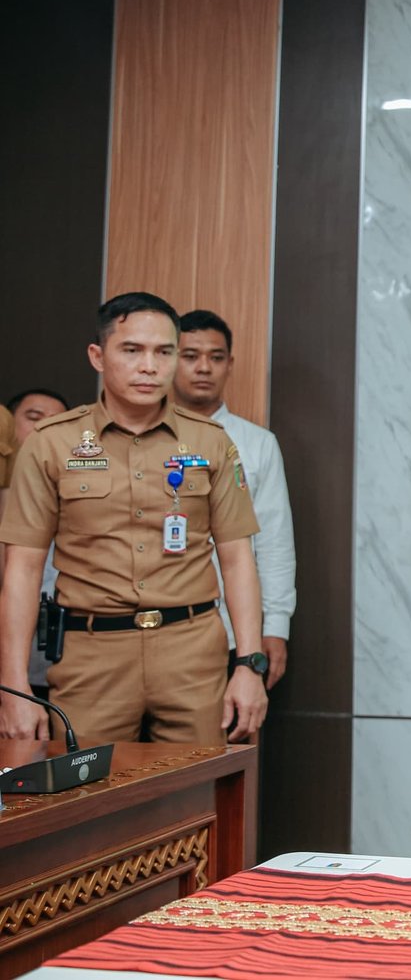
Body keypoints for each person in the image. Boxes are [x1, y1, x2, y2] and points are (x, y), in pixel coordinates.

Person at [0, 292, 270, 744]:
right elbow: (22, 569)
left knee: (194, 785)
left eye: (164, 352)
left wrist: (249, 664)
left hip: (191, 653)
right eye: (132, 350)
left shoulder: (211, 442)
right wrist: (13, 687)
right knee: (86, 786)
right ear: (97, 356)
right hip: (91, 656)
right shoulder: (51, 443)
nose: (149, 366)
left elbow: (238, 558)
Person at [174, 310, 298, 688]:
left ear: (229, 364)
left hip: (231, 632)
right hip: (149, 628)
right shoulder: (142, 439)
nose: (203, 368)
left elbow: (274, 542)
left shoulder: (257, 443)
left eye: (215, 357)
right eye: (190, 356)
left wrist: (275, 626)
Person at [4, 388, 70, 697]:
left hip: (62, 661)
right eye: (34, 417)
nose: (45, 427)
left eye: (58, 421)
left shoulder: (78, 493)